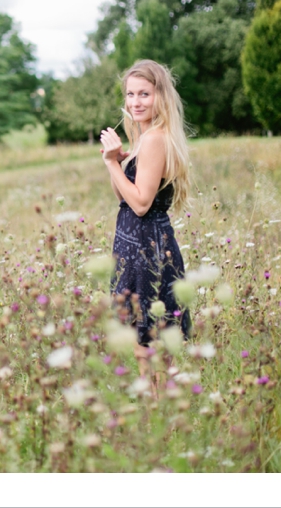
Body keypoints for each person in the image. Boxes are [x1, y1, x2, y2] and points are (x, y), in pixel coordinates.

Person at [99, 59, 191, 391]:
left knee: (145, 344)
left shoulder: (154, 139)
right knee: (151, 342)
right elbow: (123, 195)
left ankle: (156, 418)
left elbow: (139, 204)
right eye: (130, 94)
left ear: (160, 96)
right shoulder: (145, 136)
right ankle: (162, 414)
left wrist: (111, 164)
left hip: (145, 246)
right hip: (140, 243)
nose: (135, 102)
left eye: (144, 94)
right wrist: (118, 164)